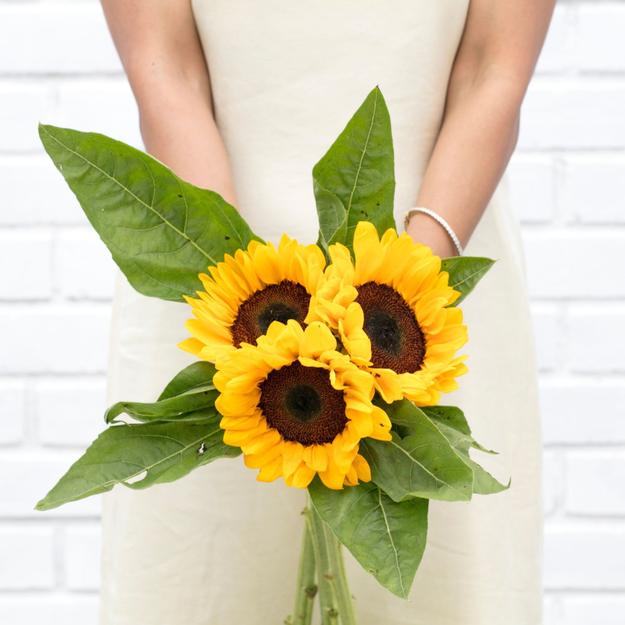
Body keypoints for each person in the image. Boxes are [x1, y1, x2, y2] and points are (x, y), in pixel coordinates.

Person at [98, 1, 555, 624]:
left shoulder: (414, 300)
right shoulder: (228, 299)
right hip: (215, 297)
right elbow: (166, 69)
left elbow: (492, 70)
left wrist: (398, 301)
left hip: (434, 280)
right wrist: (240, 301)